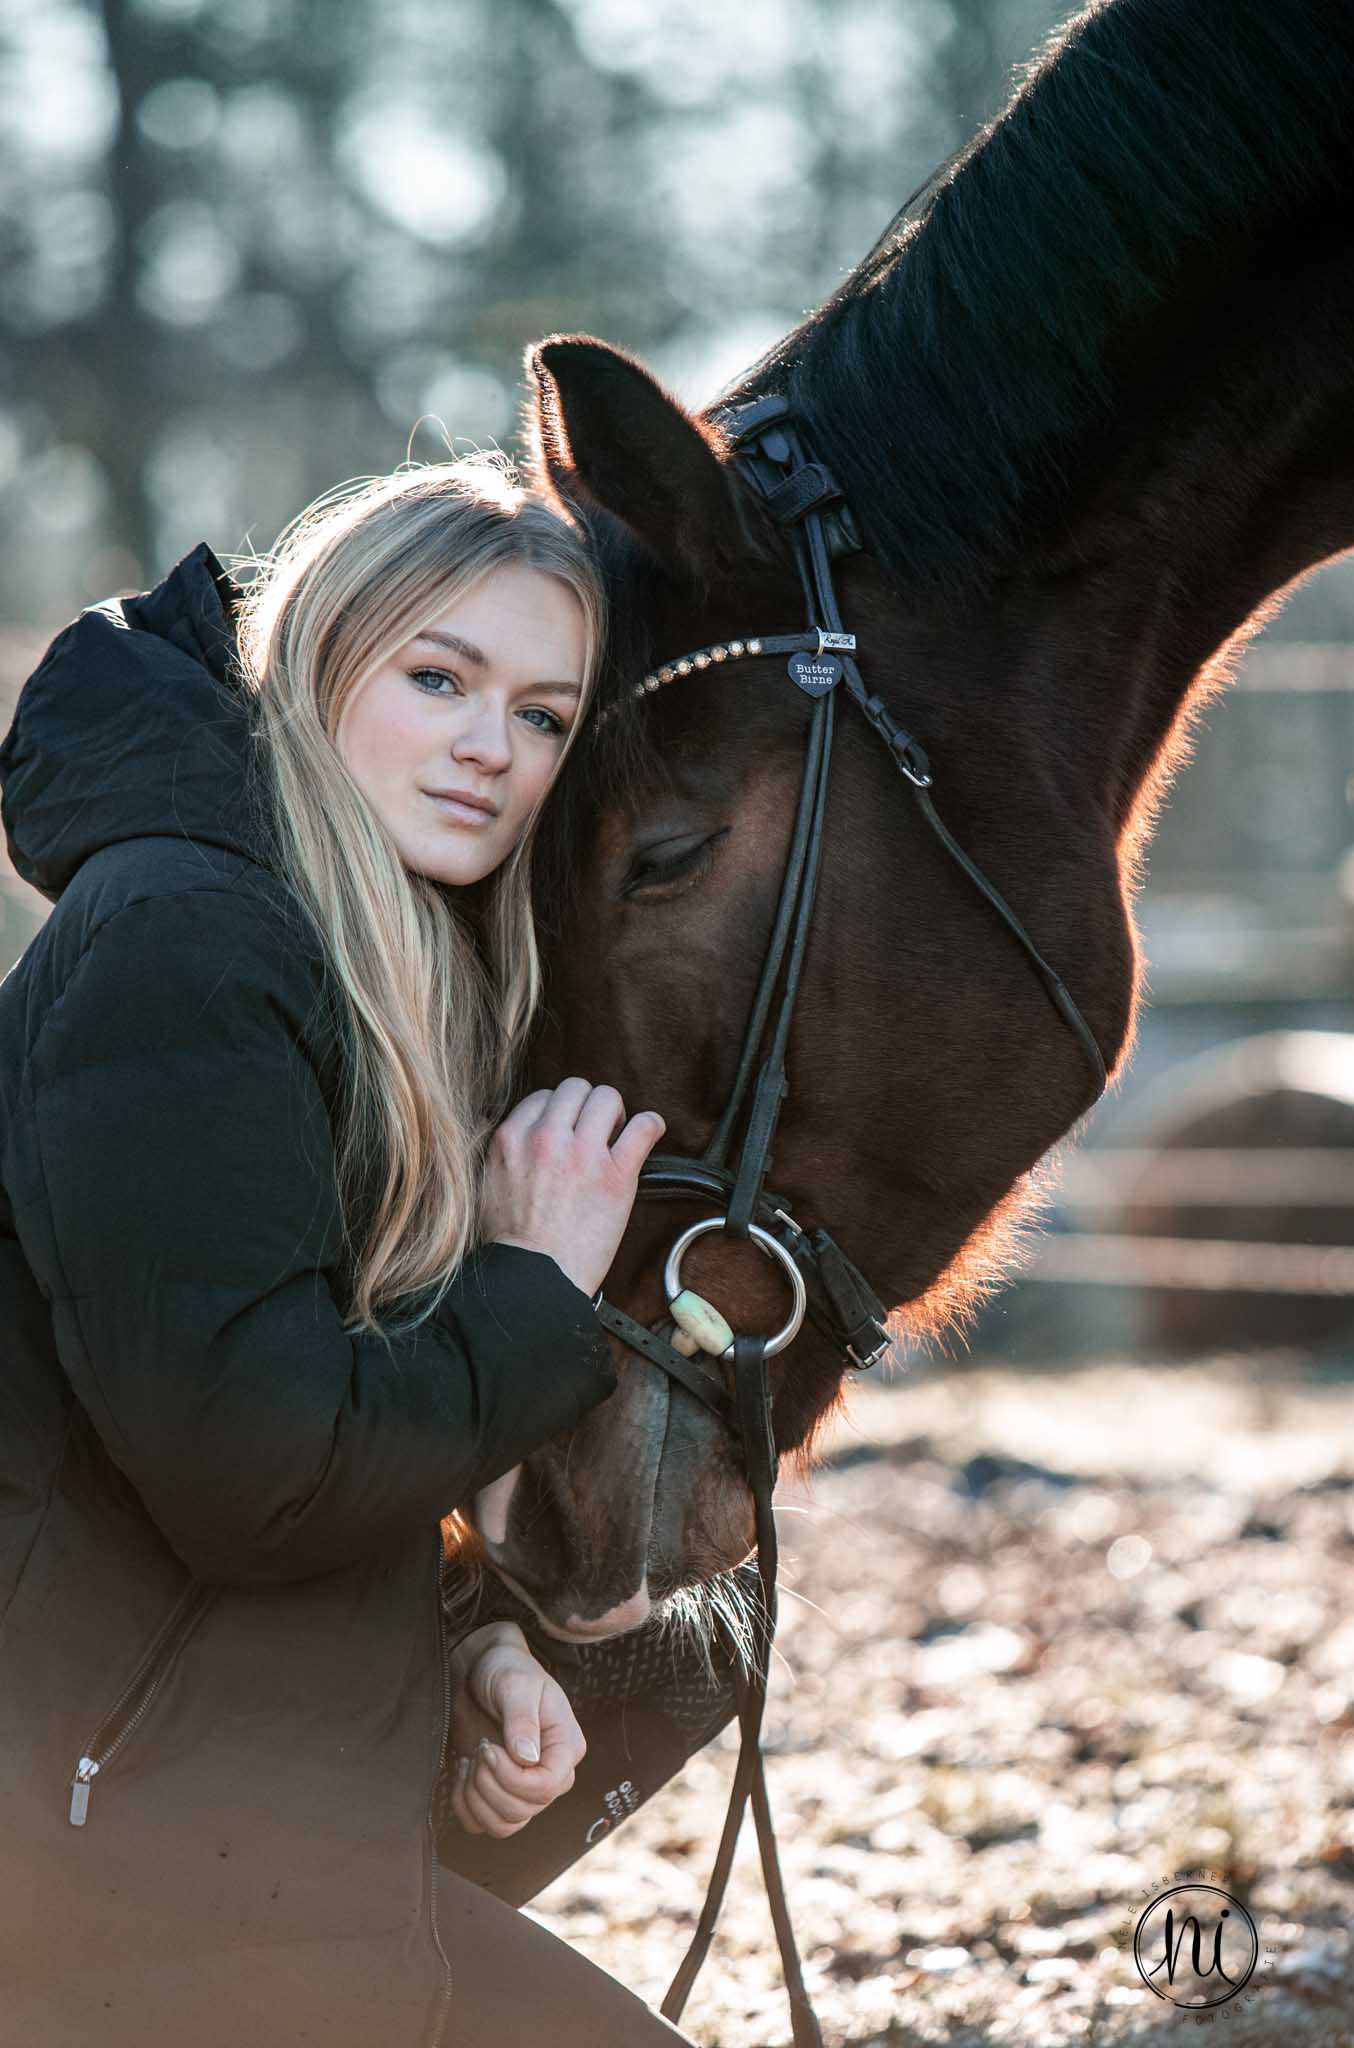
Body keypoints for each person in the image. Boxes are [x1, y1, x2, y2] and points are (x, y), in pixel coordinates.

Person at [0, 456, 704, 2047]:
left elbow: (256, 1401)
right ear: (316, 666)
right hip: (93, 1871)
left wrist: (470, 1638)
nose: (490, 749)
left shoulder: (362, 954)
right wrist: (533, 1284)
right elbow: (258, 1477)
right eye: (438, 676)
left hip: (213, 1824)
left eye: (540, 714)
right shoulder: (186, 941)